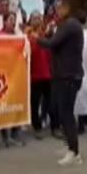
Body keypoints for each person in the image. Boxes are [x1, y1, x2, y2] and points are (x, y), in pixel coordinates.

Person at [39, 0, 87, 166]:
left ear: (69, 8)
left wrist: (34, 38)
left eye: (61, 6)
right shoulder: (65, 24)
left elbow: (51, 43)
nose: (58, 10)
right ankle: (69, 145)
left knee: (66, 113)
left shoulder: (71, 24)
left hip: (69, 75)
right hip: (61, 74)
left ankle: (74, 153)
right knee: (60, 111)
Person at [27, 11, 56, 140]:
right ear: (30, 21)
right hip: (35, 76)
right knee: (35, 103)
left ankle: (55, 126)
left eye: (39, 17)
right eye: (34, 18)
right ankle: (37, 127)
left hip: (48, 75)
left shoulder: (46, 35)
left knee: (52, 102)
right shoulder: (28, 36)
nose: (37, 20)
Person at [0, 12, 25, 147]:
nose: (13, 22)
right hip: (4, 76)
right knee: (5, 106)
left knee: (15, 105)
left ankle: (15, 133)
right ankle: (6, 136)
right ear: (4, 21)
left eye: (14, 20)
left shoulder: (18, 37)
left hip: (16, 75)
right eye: (10, 20)